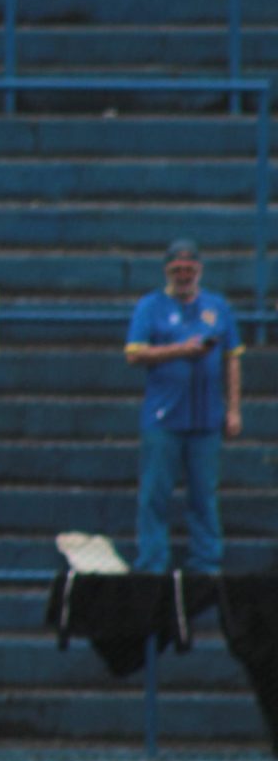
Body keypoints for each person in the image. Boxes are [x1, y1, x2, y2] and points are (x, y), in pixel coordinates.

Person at [126, 240, 243, 575]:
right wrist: (179, 350)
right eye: (177, 270)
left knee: (204, 496)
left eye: (189, 270)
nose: (183, 276)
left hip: (205, 419)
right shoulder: (151, 306)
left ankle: (205, 564)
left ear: (199, 271)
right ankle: (152, 565)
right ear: (167, 271)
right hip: (163, 418)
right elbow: (134, 353)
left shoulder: (217, 307)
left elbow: (232, 360)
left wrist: (233, 409)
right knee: (154, 495)